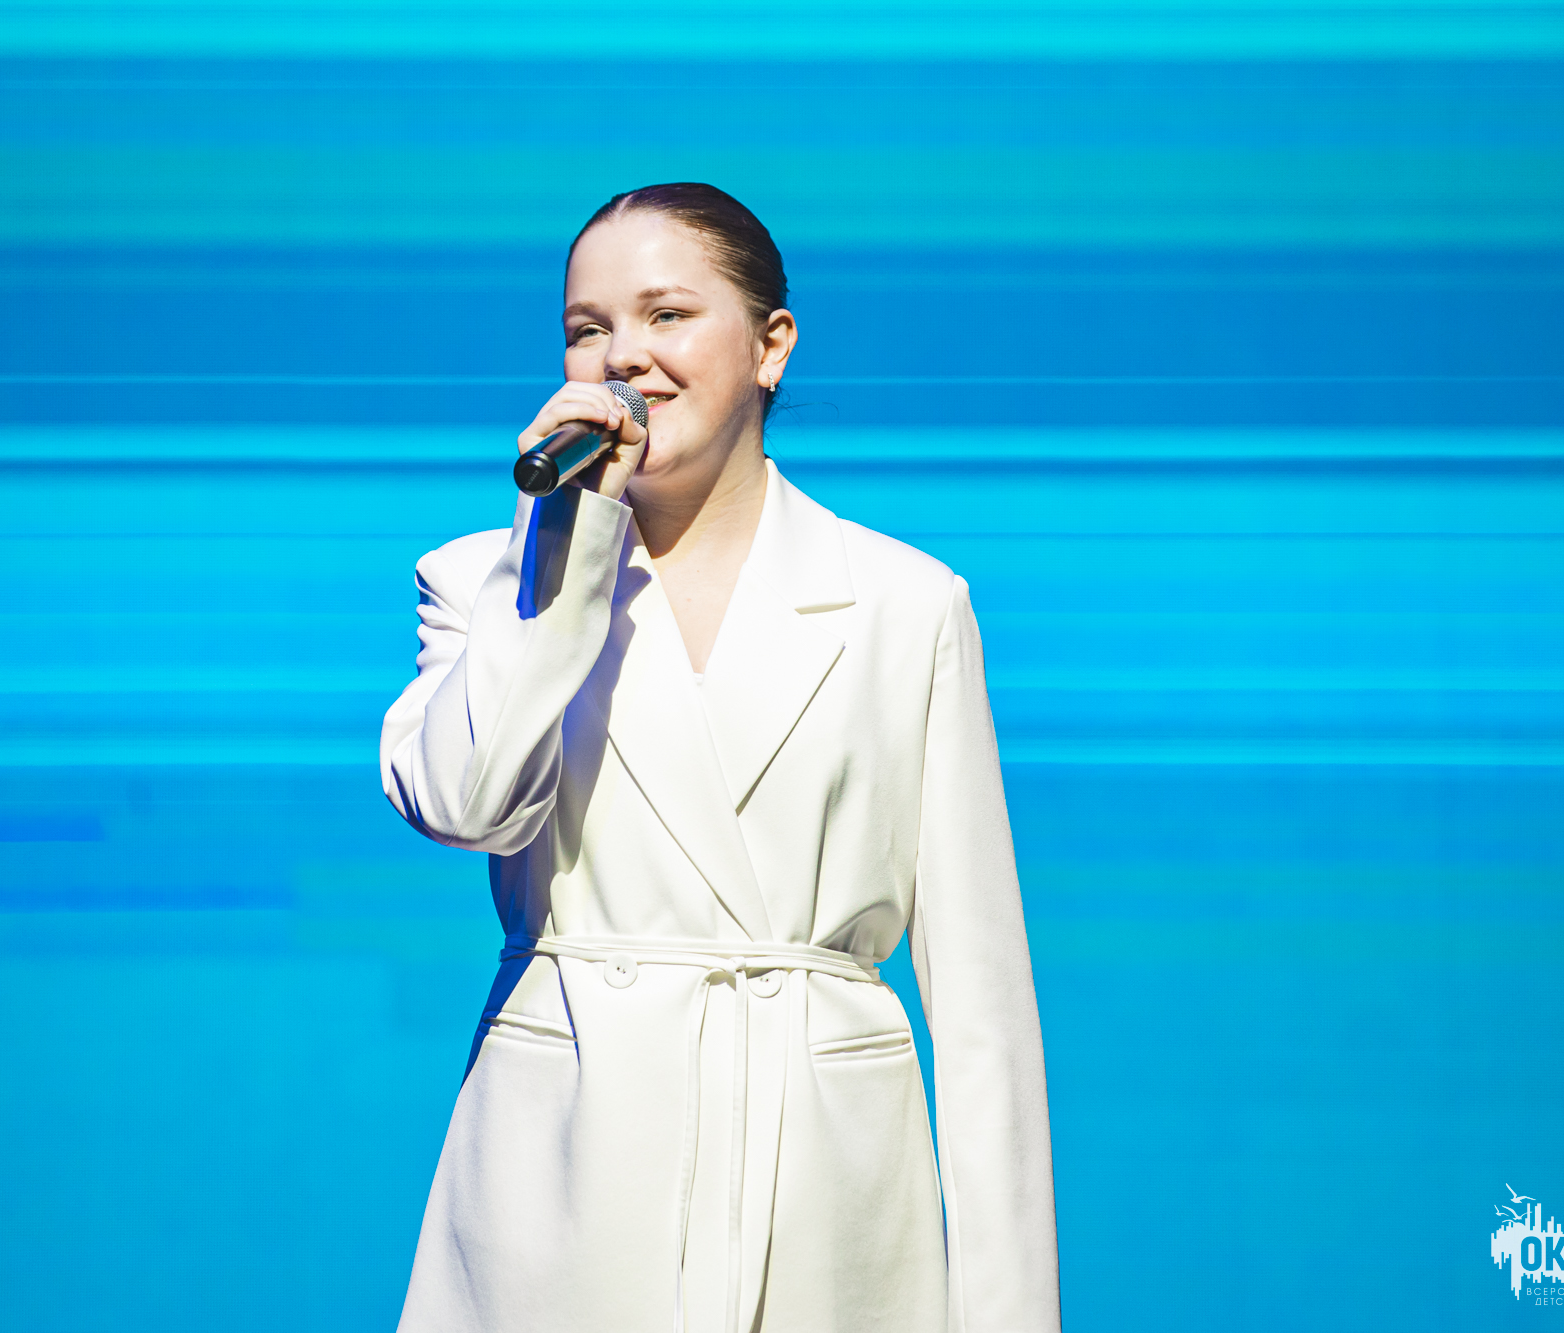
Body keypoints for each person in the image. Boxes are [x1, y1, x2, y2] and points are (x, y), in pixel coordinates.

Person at [380, 182, 1059, 1333]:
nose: (623, 356)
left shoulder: (904, 601)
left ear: (769, 346)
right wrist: (563, 548)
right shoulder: (483, 579)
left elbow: (983, 1013)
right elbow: (464, 802)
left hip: (821, 1197)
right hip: (566, 1182)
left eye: (666, 315)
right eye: (587, 328)